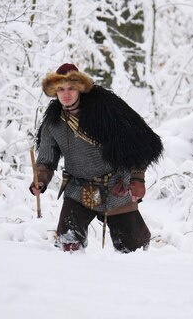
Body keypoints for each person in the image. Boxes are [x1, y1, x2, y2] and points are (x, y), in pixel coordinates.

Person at [29, 63, 163, 253]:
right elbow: (46, 160)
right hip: (78, 188)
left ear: (80, 89)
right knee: (68, 244)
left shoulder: (108, 110)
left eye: (71, 88)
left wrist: (137, 179)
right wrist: (40, 180)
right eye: (60, 89)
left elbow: (139, 145)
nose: (66, 94)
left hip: (117, 186)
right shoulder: (53, 122)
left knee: (135, 249)